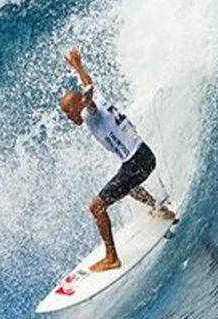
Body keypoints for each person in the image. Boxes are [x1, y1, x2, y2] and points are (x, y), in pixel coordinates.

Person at [59, 46, 176, 272]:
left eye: (68, 112)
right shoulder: (99, 100)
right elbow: (88, 85)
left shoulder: (91, 112)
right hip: (143, 155)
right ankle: (160, 209)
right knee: (126, 185)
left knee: (97, 207)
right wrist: (78, 67)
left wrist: (86, 101)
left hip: (136, 162)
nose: (68, 117)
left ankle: (112, 257)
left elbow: (90, 105)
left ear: (77, 108)